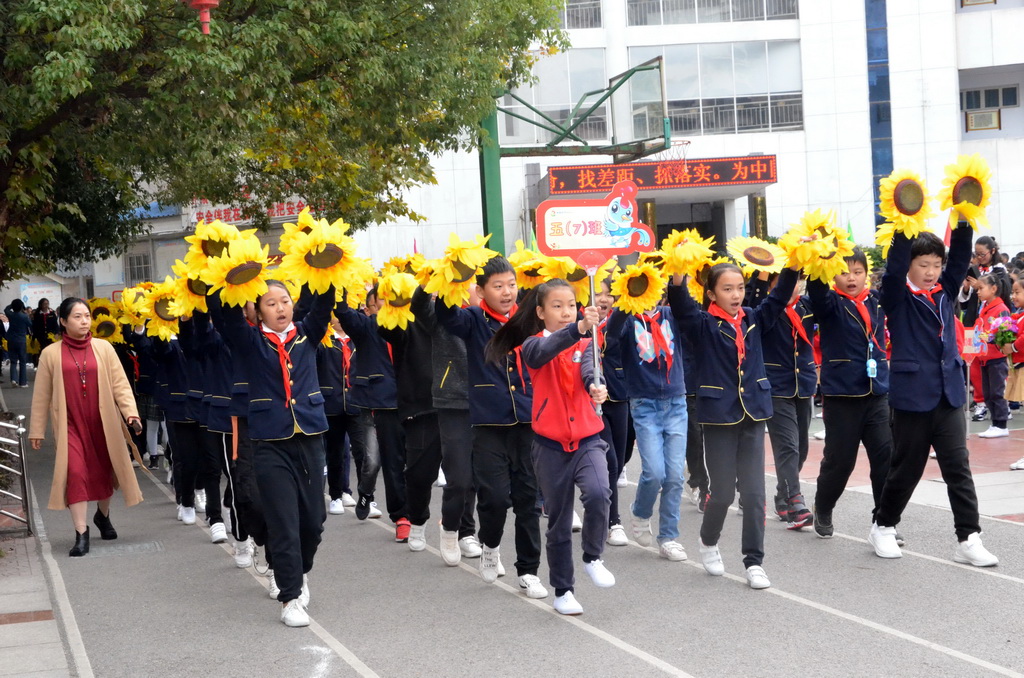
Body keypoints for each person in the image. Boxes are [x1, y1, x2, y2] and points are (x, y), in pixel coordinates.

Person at [870, 226, 998, 567]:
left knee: (958, 467)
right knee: (907, 469)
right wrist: (902, 225)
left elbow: (960, 256)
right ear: (909, 265)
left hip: (949, 394)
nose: (931, 272)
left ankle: (968, 537)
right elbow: (894, 269)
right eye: (923, 264)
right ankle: (883, 525)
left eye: (936, 265)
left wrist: (964, 219)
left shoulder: (946, 290)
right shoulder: (896, 295)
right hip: (912, 395)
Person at [668, 263, 798, 590]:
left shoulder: (754, 317)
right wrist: (678, 275)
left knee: (754, 494)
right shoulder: (702, 324)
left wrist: (794, 263)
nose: (736, 294)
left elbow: (778, 297)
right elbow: (681, 306)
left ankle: (754, 562)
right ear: (711, 294)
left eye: (740, 287)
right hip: (719, 416)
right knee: (723, 492)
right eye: (727, 289)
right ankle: (708, 540)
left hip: (753, 413)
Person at [489, 279, 614, 615]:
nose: (566, 312)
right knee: (558, 521)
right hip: (549, 446)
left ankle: (593, 556)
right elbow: (545, 352)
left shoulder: (586, 342)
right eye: (557, 306)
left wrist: (597, 387)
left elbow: (590, 370)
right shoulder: (532, 345)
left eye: (571, 305)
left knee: (599, 493)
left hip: (588, 439)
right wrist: (579, 327)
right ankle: (563, 591)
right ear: (541, 312)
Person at [220, 280, 336, 626]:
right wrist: (227, 280)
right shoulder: (251, 340)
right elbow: (225, 316)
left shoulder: (307, 333)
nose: (280, 308)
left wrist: (324, 266)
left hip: (309, 436)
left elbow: (324, 302)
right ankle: (290, 598)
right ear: (257, 311)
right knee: (283, 521)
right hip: (270, 442)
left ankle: (299, 572)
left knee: (313, 522)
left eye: (284, 300)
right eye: (270, 303)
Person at [435, 256, 545, 597]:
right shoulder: (472, 319)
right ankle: (490, 544)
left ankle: (528, 571)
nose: (507, 292)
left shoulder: (529, 317)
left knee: (528, 499)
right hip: (488, 423)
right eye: (498, 286)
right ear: (481, 291)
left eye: (511, 284)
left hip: (528, 419)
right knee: (495, 498)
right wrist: (452, 277)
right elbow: (445, 315)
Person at [28, 298, 144, 557]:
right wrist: (37, 429)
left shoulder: (104, 348)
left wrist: (131, 413)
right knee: (76, 473)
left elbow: (120, 384)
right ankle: (81, 532)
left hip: (103, 422)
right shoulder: (51, 353)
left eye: (87, 316)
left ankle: (102, 516)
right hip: (70, 424)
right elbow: (41, 395)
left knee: (104, 471)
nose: (84, 321)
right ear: (63, 321)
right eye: (77, 317)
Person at [806, 248, 892, 539]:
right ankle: (823, 505)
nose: (852, 278)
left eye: (858, 272)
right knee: (840, 461)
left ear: (867, 274)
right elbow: (817, 289)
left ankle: (884, 521)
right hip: (842, 395)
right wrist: (822, 254)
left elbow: (895, 279)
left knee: (885, 457)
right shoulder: (830, 303)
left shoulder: (876, 301)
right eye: (844, 272)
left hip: (877, 392)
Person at [605, 278, 688, 562]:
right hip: (644, 404)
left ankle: (669, 536)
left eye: (653, 288)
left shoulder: (671, 315)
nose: (649, 294)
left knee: (675, 475)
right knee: (654, 472)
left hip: (676, 402)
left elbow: (687, 308)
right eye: (643, 289)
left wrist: (679, 281)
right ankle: (640, 512)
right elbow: (610, 338)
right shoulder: (628, 320)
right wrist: (626, 300)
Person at [751, 273, 816, 528]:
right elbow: (755, 301)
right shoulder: (766, 310)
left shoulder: (806, 306)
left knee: (801, 448)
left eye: (795, 281)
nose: (790, 287)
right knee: (788, 446)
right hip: (776, 387)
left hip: (803, 384)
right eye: (779, 284)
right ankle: (795, 501)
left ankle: (783, 494)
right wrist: (761, 276)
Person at [960, 235, 1006, 422]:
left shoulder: (1000, 271)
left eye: (982, 254)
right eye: (976, 254)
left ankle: (998, 408)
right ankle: (979, 402)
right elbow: (964, 302)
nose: (979, 258)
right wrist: (967, 289)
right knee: (972, 364)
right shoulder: (973, 270)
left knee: (993, 368)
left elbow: (1004, 293)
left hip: (991, 325)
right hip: (973, 322)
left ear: (992, 251)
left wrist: (978, 283)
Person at [973, 273, 1012, 439]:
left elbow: (1007, 333)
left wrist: (990, 337)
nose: (978, 292)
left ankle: (1001, 424)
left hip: (996, 357)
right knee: (988, 393)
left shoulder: (1001, 309)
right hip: (984, 357)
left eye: (981, 288)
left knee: (997, 392)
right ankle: (995, 423)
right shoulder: (984, 309)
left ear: (993, 289)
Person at [1003, 278, 1024, 470]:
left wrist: (1013, 346)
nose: (1013, 296)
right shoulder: (1019, 316)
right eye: (1013, 292)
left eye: (1018, 292)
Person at [4, 299, 31, 387]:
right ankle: (23, 382)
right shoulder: (24, 316)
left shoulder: (10, 315)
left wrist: (11, 305)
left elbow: (6, 309)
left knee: (13, 361)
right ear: (21, 307)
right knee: (22, 361)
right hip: (21, 340)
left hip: (11, 339)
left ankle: (13, 379)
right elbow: (30, 324)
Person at [32, 298, 59, 368]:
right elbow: (35, 326)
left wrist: (56, 333)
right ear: (41, 305)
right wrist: (34, 337)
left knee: (51, 350)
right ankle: (43, 365)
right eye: (44, 304)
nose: (46, 305)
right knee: (43, 350)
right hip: (41, 336)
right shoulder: (37, 314)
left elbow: (55, 325)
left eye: (47, 304)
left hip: (50, 335)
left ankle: (51, 365)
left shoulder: (52, 313)